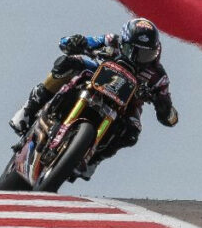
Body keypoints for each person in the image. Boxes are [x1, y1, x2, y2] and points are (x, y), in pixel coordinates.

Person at [9, 17, 178, 179]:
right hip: (97, 75)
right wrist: (76, 42)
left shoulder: (158, 77)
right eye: (133, 51)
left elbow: (170, 116)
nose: (138, 59)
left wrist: (165, 109)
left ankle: (94, 159)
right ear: (123, 43)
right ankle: (28, 110)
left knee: (132, 132)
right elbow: (66, 42)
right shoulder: (111, 40)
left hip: (126, 103)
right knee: (67, 63)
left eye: (145, 55)